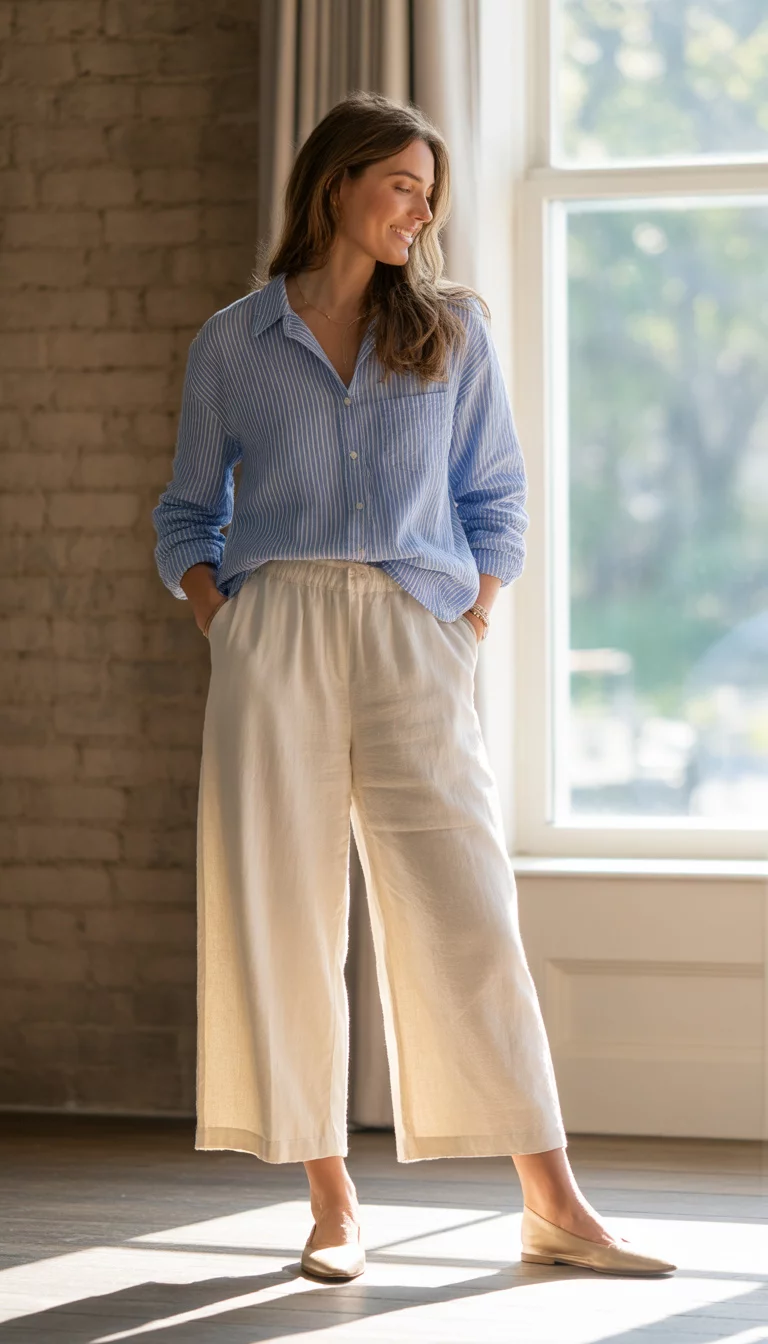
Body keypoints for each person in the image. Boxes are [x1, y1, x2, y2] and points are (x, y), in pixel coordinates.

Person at [152, 90, 675, 1282]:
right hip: (273, 624)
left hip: (413, 626)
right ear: (336, 186)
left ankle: (555, 1201)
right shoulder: (233, 342)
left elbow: (497, 497)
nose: (420, 209)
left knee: (467, 909)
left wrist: (473, 618)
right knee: (278, 913)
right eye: (402, 184)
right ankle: (331, 1204)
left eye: (429, 191)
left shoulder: (451, 331)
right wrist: (224, 621)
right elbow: (187, 509)